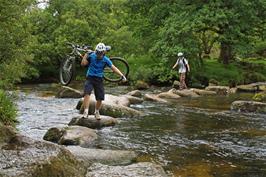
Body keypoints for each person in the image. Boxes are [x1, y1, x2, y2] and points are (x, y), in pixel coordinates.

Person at [81, 42, 127, 120]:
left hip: (99, 79)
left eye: (100, 53)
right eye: (97, 53)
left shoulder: (106, 60)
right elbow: (83, 64)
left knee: (100, 97)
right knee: (87, 93)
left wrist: (122, 75)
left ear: (104, 52)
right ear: (96, 51)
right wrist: (86, 55)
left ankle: (97, 111)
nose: (99, 55)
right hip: (90, 77)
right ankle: (86, 111)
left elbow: (114, 68)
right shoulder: (91, 56)